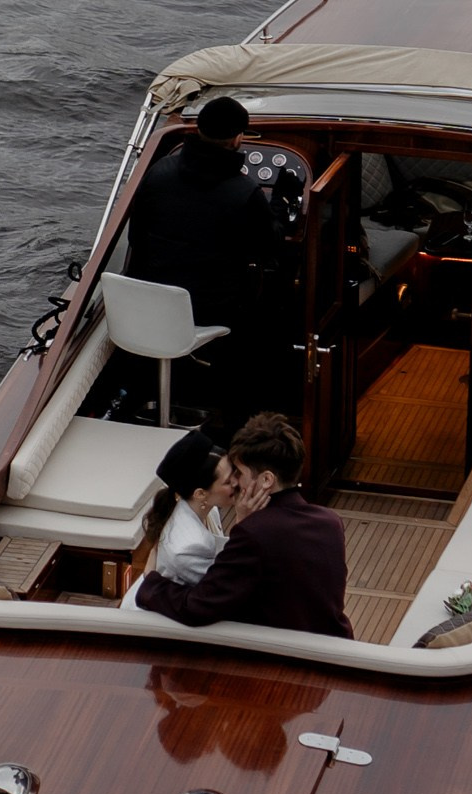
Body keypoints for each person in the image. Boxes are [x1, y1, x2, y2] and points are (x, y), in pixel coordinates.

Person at [124, 96, 289, 421]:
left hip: (152, 305)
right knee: (275, 323)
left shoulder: (158, 173)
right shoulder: (244, 193)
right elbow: (271, 245)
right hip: (213, 309)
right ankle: (244, 415)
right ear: (238, 139)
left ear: (197, 130)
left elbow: (136, 239)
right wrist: (280, 202)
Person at [135, 412, 350, 638]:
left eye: (240, 473)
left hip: (287, 658)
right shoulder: (331, 522)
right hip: (335, 643)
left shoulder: (254, 533)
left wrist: (151, 583)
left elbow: (198, 606)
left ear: (267, 480)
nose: (236, 481)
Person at [120, 429, 228, 605]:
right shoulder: (189, 546)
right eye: (228, 482)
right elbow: (224, 585)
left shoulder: (208, 510)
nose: (237, 483)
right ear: (201, 494)